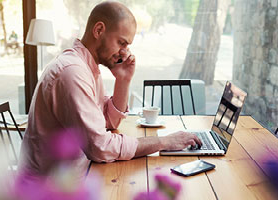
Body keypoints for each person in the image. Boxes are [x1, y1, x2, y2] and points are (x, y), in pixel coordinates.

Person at [19, 1, 202, 176]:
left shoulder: (86, 67)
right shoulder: (72, 73)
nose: (124, 52)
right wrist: (164, 142)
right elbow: (100, 147)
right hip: (49, 191)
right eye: (121, 43)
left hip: (77, 176)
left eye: (127, 46)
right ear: (99, 30)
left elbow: (108, 121)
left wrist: (123, 80)